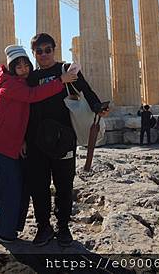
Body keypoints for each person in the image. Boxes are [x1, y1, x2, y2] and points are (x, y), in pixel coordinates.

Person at [0, 45, 77, 243]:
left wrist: (23, 140)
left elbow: (23, 115)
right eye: (19, 66)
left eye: (26, 65)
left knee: (15, 184)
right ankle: (2, 230)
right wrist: (61, 81)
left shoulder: (19, 82)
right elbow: (33, 96)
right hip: (3, 141)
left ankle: (8, 225)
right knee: (11, 186)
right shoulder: (10, 84)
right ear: (11, 68)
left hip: (13, 141)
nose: (24, 69)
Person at [24, 33, 108, 247]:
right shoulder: (30, 78)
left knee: (64, 186)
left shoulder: (66, 69)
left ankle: (63, 227)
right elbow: (23, 107)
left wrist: (98, 107)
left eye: (47, 49)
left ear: (54, 49)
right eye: (39, 51)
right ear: (34, 53)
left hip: (64, 139)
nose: (44, 54)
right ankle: (43, 227)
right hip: (35, 141)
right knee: (39, 187)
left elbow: (86, 91)